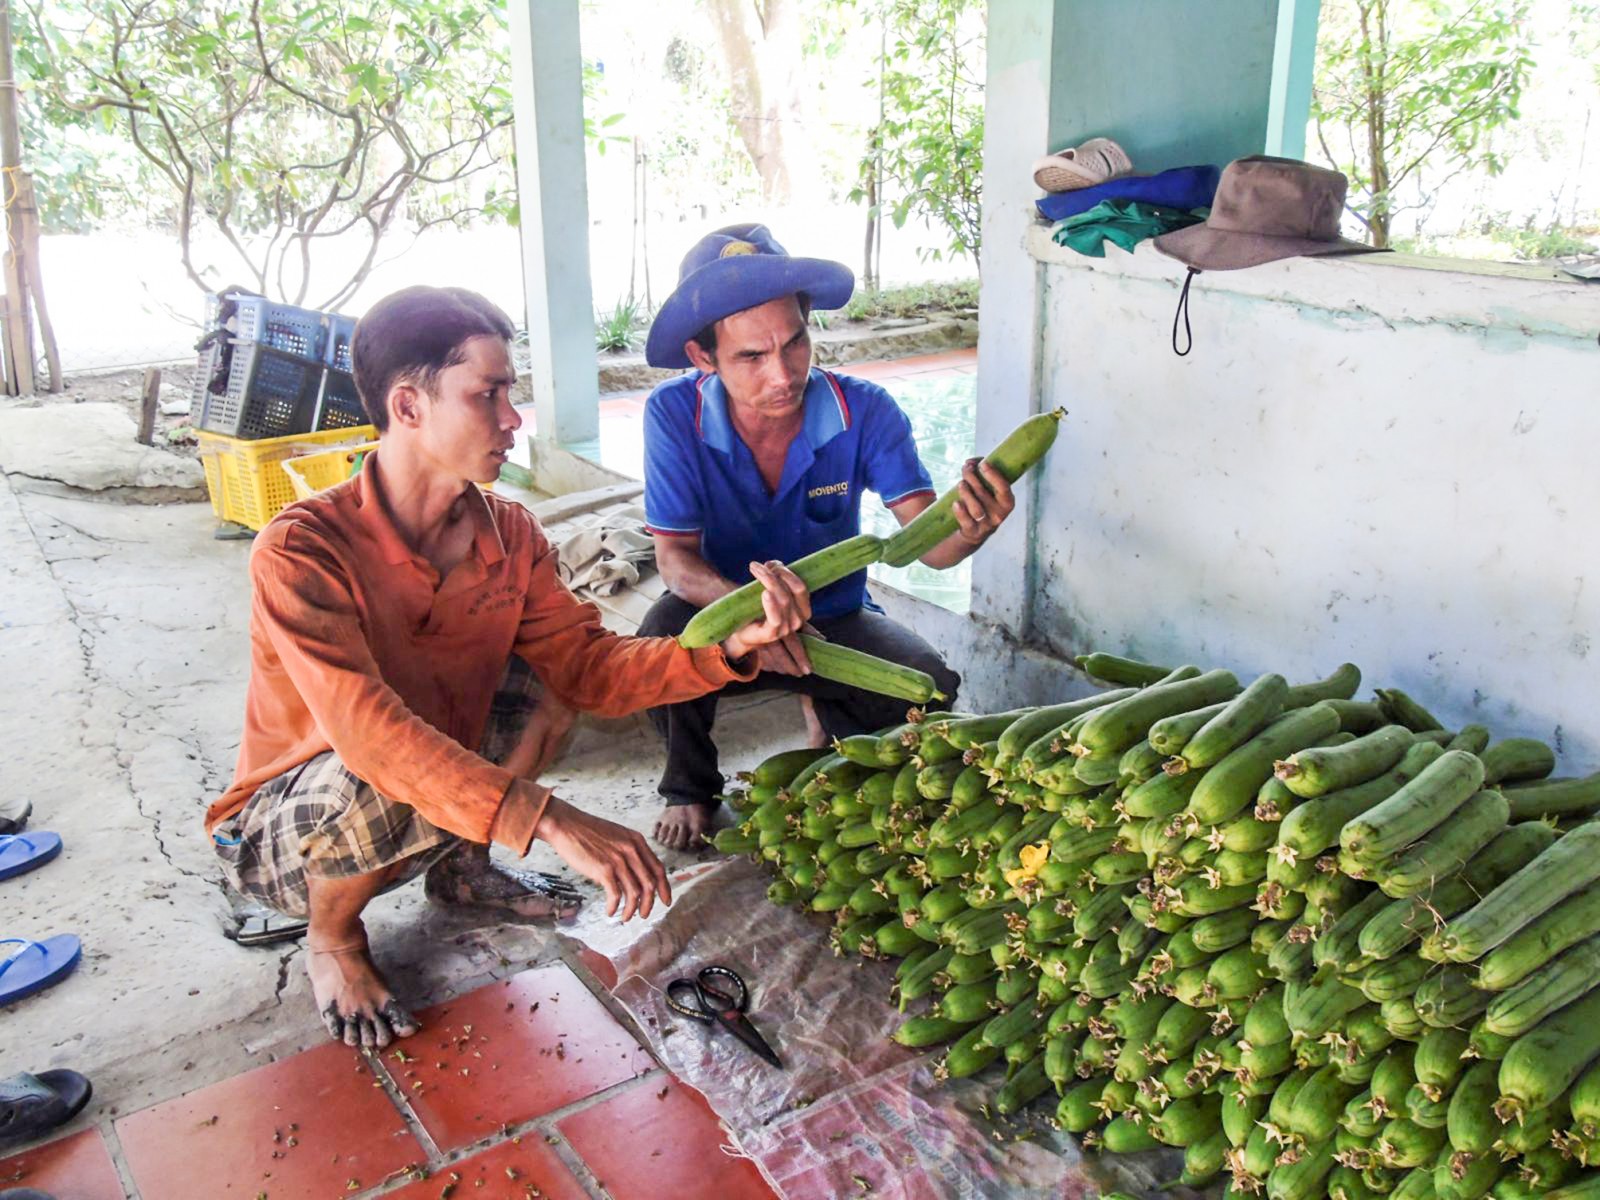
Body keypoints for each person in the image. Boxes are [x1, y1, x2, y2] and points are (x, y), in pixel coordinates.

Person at [205, 286, 811, 1049]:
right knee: (384, 763)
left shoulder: (509, 534)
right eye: (487, 394)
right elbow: (371, 739)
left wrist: (725, 651)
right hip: (290, 827)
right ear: (409, 405)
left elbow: (588, 668)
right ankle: (334, 936)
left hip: (414, 786)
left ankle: (462, 868)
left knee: (543, 688)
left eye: (510, 393)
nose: (512, 419)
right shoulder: (303, 551)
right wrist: (550, 820)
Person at [638, 224, 1017, 850]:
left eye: (794, 343)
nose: (783, 374)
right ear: (704, 357)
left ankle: (826, 717)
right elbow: (675, 559)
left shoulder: (863, 410)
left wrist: (974, 526)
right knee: (660, 641)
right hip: (724, 612)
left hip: (832, 620)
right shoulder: (673, 413)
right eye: (751, 357)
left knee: (930, 693)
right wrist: (758, 612)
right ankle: (690, 787)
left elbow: (930, 543)